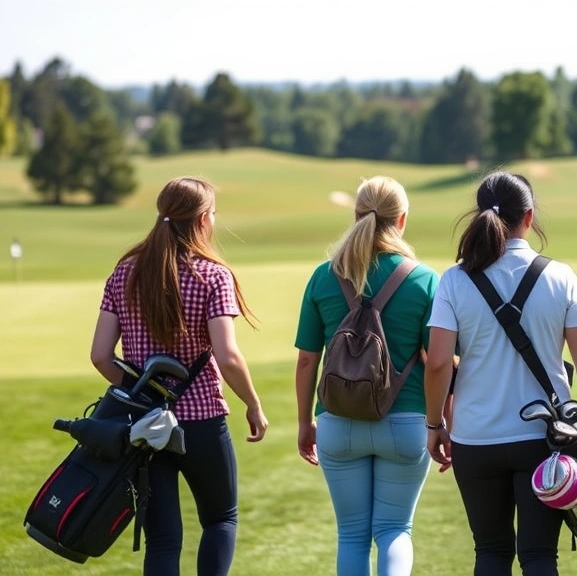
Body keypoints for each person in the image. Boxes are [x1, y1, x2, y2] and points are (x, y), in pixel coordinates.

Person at [423, 172, 577, 576]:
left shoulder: (454, 280)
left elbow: (437, 362)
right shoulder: (559, 276)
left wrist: (435, 422)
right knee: (540, 556)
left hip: (475, 437)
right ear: (529, 216)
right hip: (545, 438)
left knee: (490, 552)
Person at [89, 176, 269, 576]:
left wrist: (142, 394)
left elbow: (101, 356)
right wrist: (253, 404)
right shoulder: (213, 276)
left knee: (164, 540)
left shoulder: (125, 273)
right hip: (202, 418)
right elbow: (228, 356)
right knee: (221, 519)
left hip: (145, 426)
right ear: (204, 219)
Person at [293, 176, 438, 576]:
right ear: (402, 219)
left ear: (356, 216)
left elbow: (308, 360)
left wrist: (306, 422)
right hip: (406, 423)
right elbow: (439, 361)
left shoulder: (324, 275)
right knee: (395, 529)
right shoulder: (424, 279)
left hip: (338, 423)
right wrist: (442, 423)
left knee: (352, 535)